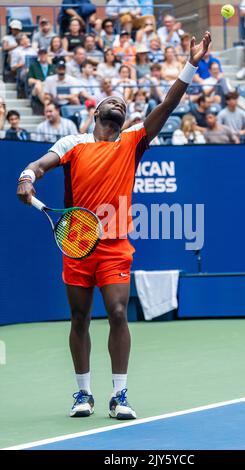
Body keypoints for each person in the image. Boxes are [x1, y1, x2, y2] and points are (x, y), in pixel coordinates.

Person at [17, 30, 211, 420]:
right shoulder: (72, 143)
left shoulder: (133, 141)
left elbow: (170, 103)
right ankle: (82, 393)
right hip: (76, 241)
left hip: (114, 245)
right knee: (79, 318)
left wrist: (192, 62)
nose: (118, 103)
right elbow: (38, 166)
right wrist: (26, 176)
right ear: (95, 112)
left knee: (119, 312)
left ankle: (120, 395)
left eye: (123, 103)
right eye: (111, 100)